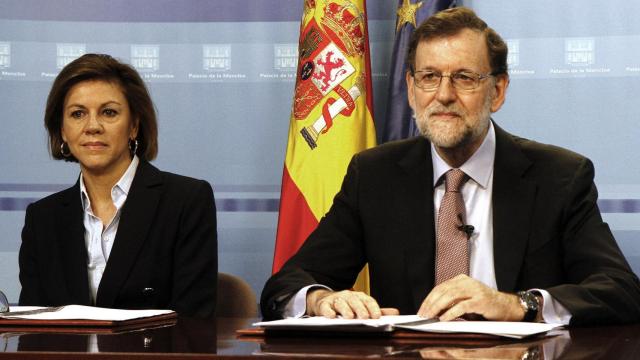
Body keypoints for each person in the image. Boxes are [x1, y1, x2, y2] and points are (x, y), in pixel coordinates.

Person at [261, 7, 640, 325]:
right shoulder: (374, 176)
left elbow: (621, 291)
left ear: (498, 90)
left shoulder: (558, 176)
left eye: (464, 77)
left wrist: (518, 304)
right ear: (411, 90)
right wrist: (320, 300)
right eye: (429, 77)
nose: (443, 95)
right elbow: (285, 286)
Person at [19, 53, 217, 318]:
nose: (92, 126)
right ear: (62, 130)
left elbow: (194, 325)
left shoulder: (186, 201)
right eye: (78, 114)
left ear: (134, 125)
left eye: (109, 112)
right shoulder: (42, 218)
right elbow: (33, 331)